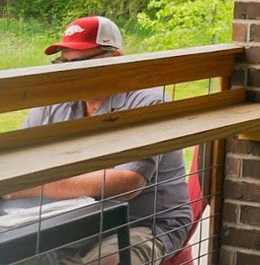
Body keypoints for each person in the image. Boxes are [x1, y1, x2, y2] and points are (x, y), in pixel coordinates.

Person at [5, 17, 191, 265]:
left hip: (143, 223)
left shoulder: (148, 101)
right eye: (63, 63)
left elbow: (128, 183)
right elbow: (15, 158)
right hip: (67, 223)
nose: (69, 72)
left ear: (114, 59)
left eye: (80, 62)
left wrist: (27, 186)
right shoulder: (56, 102)